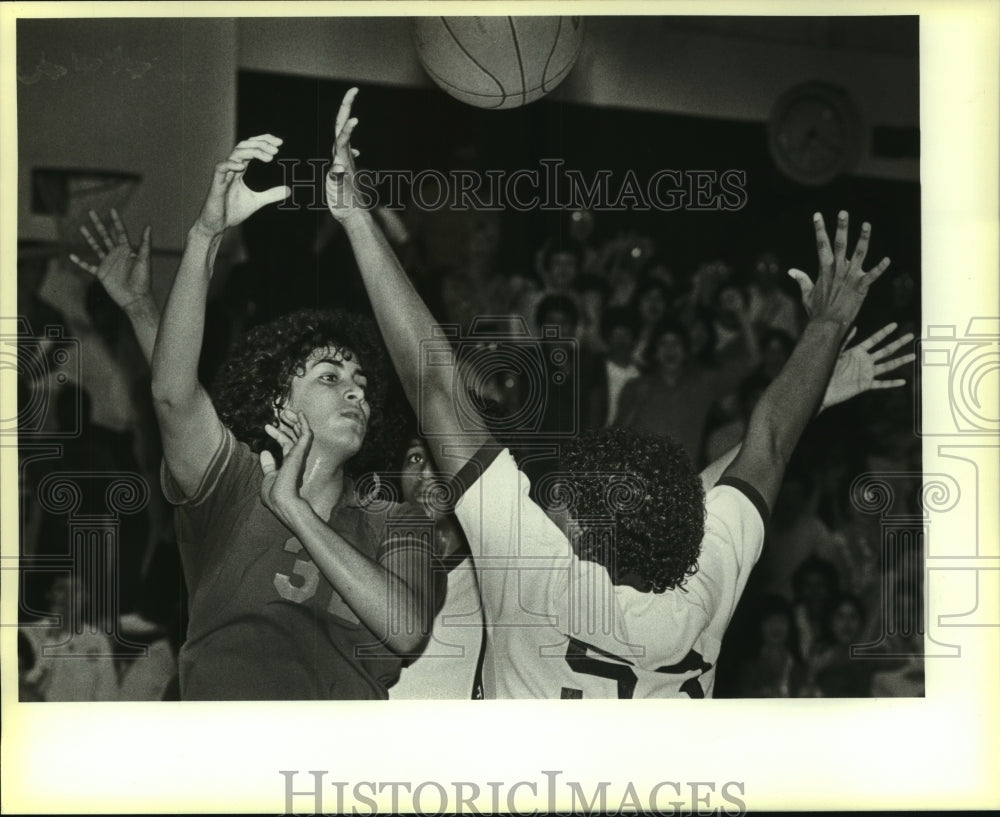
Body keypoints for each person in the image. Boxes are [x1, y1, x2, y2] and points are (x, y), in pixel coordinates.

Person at [324, 88, 909, 698]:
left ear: (583, 533)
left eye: (565, 503)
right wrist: (825, 341)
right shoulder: (704, 588)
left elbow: (439, 386)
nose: (551, 505)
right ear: (684, 531)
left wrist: (358, 219)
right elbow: (769, 440)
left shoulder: (534, 569)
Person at [77, 135, 437, 700]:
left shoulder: (395, 519)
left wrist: (295, 510)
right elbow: (174, 395)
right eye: (329, 377)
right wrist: (205, 235)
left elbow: (408, 630)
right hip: (225, 756)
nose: (355, 393)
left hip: (334, 772)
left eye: (362, 384)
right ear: (279, 402)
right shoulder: (232, 483)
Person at [389, 435, 485, 700]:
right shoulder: (369, 556)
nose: (426, 473)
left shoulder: (492, 575)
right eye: (416, 458)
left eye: (440, 459)